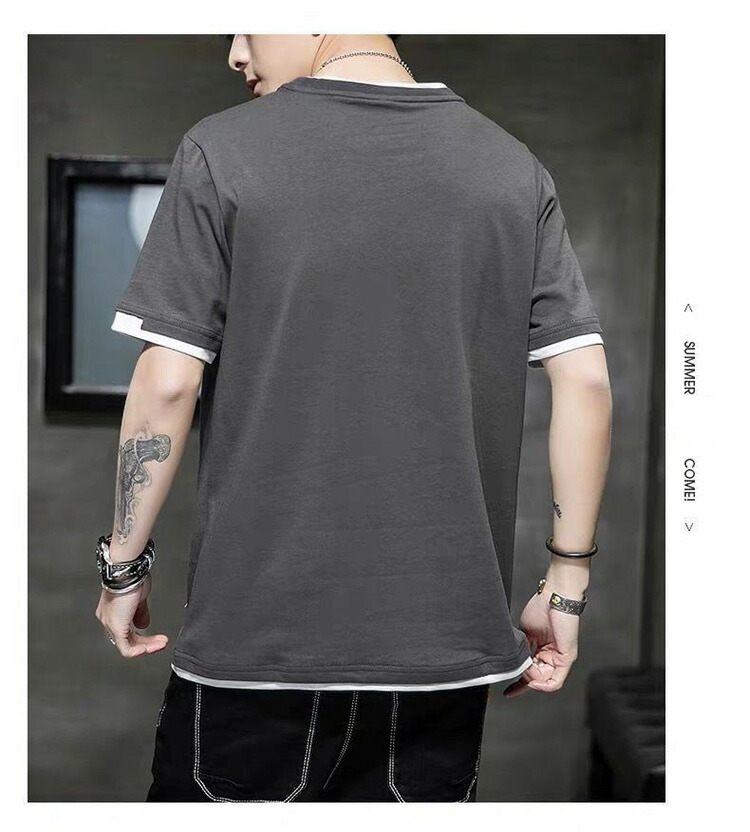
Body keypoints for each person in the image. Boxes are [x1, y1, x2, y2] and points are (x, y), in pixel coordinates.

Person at [94, 34, 613, 802]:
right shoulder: (511, 168)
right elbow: (587, 381)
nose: (235, 52)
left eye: (244, 22)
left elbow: (168, 384)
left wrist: (123, 569)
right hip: (443, 664)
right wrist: (564, 588)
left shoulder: (221, 150)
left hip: (256, 653)